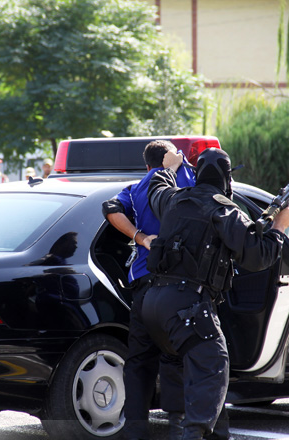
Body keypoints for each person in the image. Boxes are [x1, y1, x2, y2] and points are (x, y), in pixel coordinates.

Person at [142, 148, 289, 440]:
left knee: (194, 376)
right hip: (189, 307)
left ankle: (201, 434)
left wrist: (170, 166)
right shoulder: (224, 209)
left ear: (198, 174)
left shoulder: (174, 199)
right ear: (227, 179)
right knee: (214, 368)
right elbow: (257, 257)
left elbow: (156, 186)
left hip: (155, 307)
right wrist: (279, 227)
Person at [102, 140, 196, 440]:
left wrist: (140, 237)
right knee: (175, 357)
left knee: (140, 359)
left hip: (144, 286)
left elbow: (110, 208)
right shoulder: (187, 178)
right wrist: (179, 164)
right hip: (182, 287)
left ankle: (135, 430)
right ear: (172, 157)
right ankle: (177, 429)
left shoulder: (137, 187)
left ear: (146, 165)